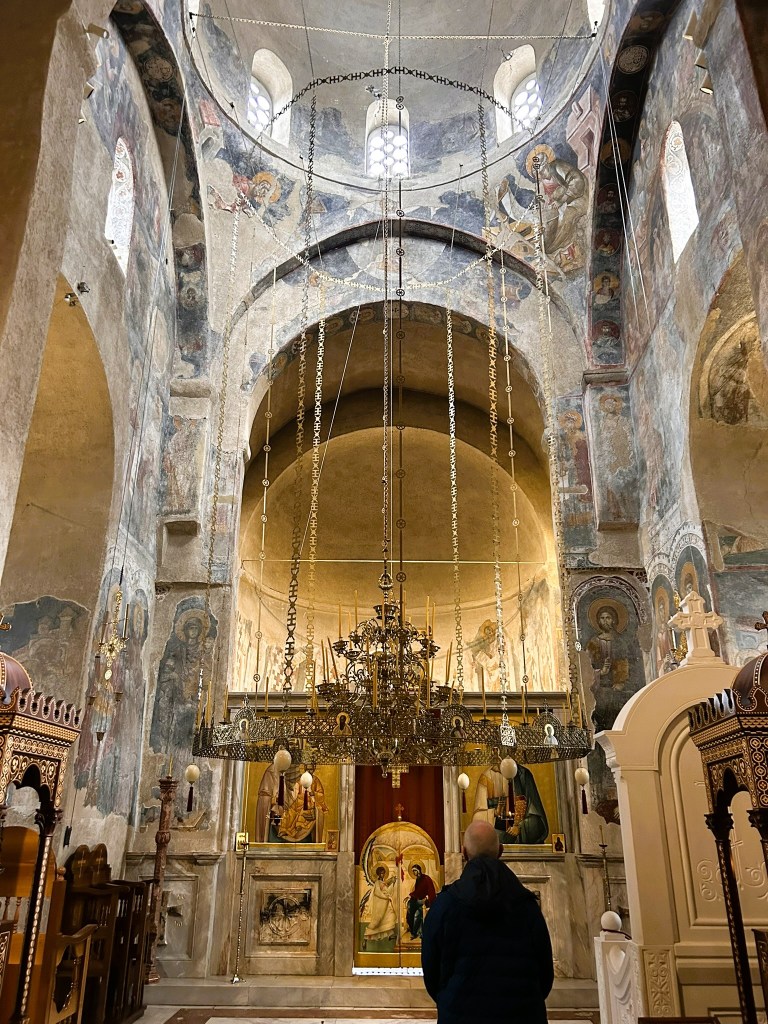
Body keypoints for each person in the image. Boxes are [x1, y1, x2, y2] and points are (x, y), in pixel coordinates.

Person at [422, 820, 553, 1024]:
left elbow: (431, 972)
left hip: (459, 1014)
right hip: (522, 1015)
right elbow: (545, 972)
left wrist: (449, 999)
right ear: (500, 851)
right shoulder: (526, 905)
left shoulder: (444, 906)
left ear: (463, 853)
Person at [405, 863, 437, 939]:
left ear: (419, 870)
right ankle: (413, 930)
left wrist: (426, 899)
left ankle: (415, 933)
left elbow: (430, 890)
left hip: (424, 901)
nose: (414, 872)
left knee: (417, 915)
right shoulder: (417, 880)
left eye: (415, 870)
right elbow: (417, 892)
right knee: (409, 911)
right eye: (413, 871)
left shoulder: (426, 878)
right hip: (418, 900)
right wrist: (410, 897)